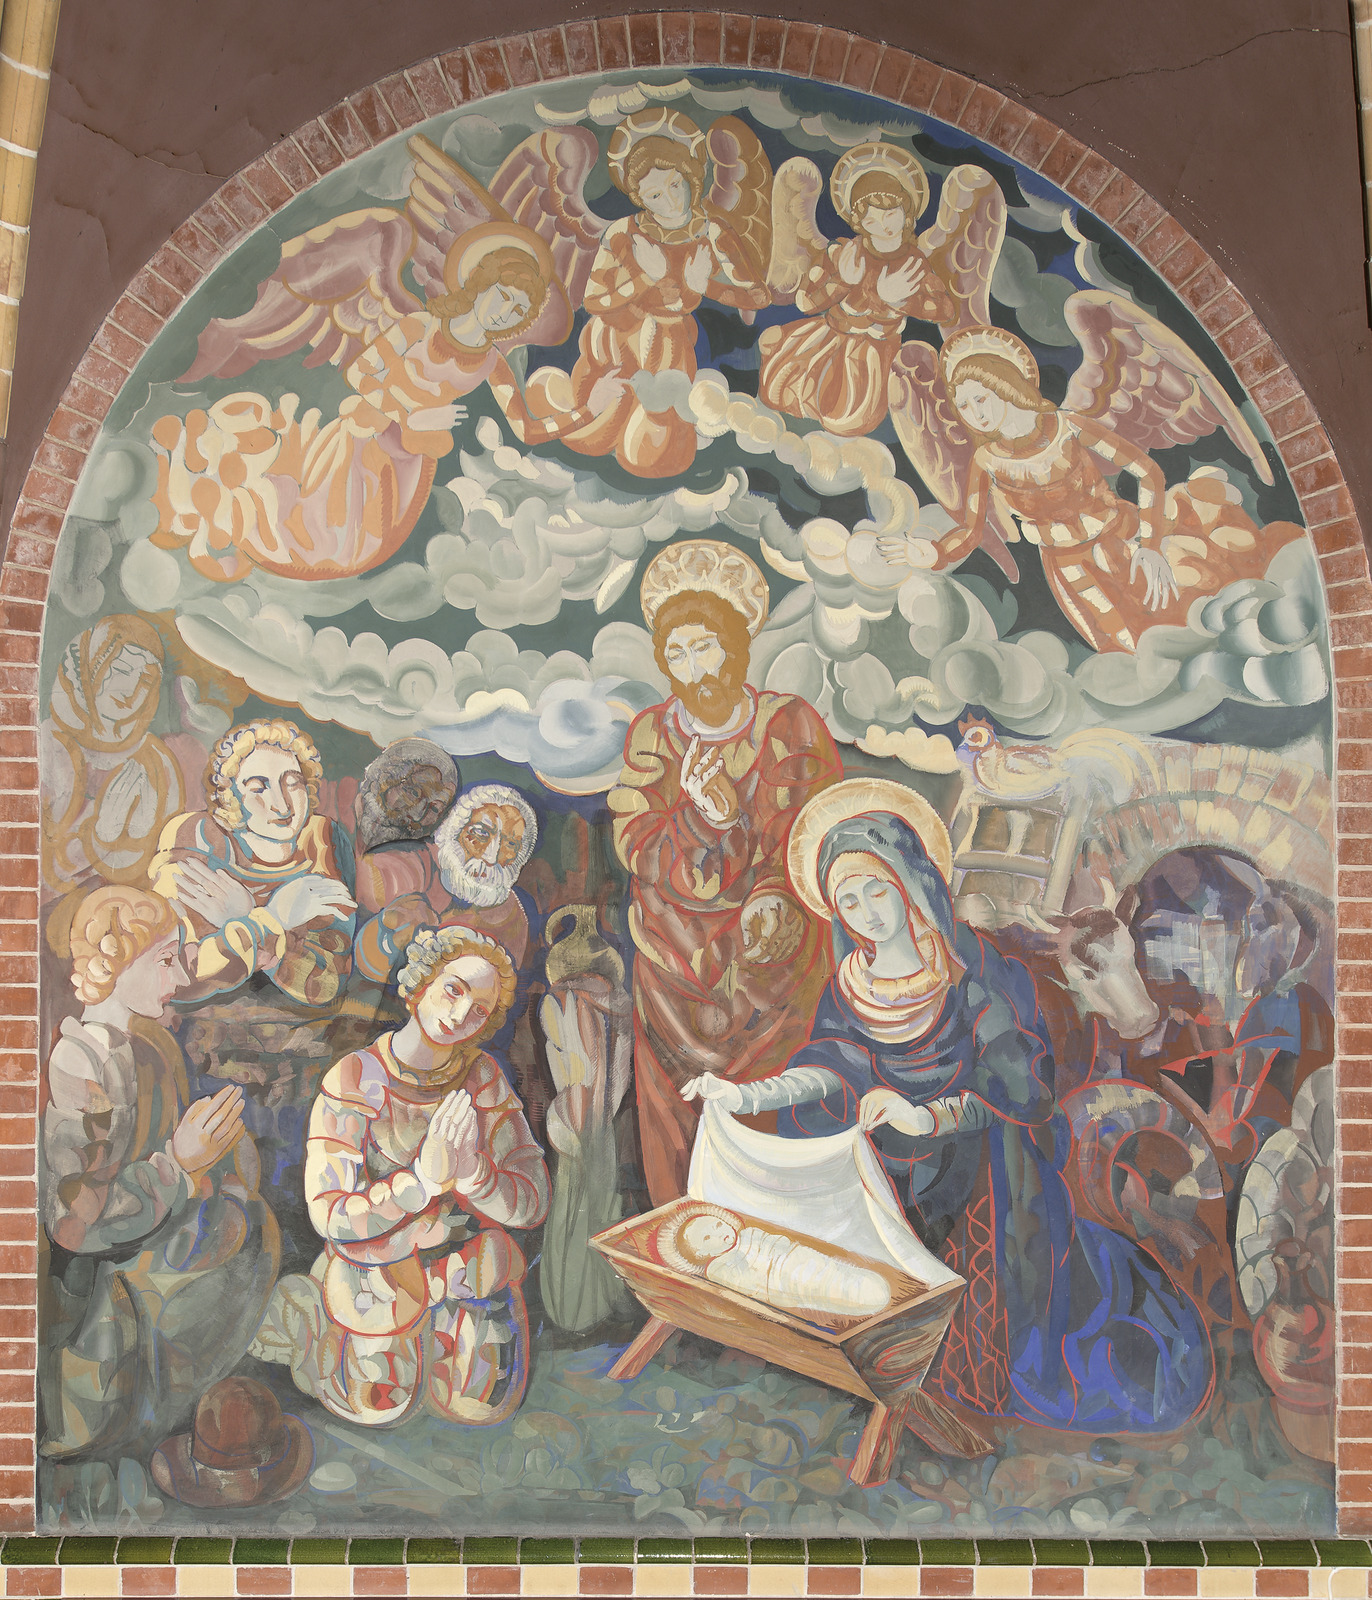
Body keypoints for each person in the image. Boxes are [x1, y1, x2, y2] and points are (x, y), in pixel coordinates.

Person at [692, 778, 1213, 1435]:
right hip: (888, 1164)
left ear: (909, 882)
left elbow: (1017, 1094)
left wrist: (925, 1118)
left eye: (877, 889)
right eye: (847, 900)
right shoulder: (849, 984)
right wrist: (744, 1095)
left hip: (977, 1170)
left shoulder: (975, 971)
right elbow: (826, 1069)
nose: (866, 912)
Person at [151, 229, 624, 583]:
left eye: (516, 311)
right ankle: (218, 511)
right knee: (321, 523)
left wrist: (591, 409)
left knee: (358, 544)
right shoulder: (421, 326)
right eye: (503, 295)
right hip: (363, 435)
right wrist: (412, 414)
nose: (503, 312)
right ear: (480, 284)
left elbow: (527, 427)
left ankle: (229, 516)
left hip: (408, 461)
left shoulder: (490, 364)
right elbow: (361, 375)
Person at [609, 540, 842, 1205]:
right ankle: (687, 1231)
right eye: (678, 653)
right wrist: (704, 821)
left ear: (736, 647)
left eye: (705, 647)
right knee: (676, 1126)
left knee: (769, 1119)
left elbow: (807, 832)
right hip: (672, 965)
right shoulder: (654, 734)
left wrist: (769, 891)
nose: (694, 669)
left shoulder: (788, 724)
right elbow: (637, 842)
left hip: (769, 967)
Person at [252, 926, 550, 1427]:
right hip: (377, 1270)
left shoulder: (482, 1077)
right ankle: (310, 1321)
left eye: (480, 1010)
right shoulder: (356, 1077)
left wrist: (475, 1175)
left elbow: (533, 1200)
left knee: (480, 1405)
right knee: (376, 1408)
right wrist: (422, 1183)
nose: (461, 1013)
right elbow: (329, 1214)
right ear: (420, 983)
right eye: (453, 989)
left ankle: (443, 1334)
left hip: (461, 1264)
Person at [39, 886, 279, 1460]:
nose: (181, 975)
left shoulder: (145, 1044)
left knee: (248, 1220)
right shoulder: (82, 1061)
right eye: (167, 959)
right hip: (99, 1283)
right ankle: (130, 1411)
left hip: (147, 1232)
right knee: (242, 1241)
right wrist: (180, 1164)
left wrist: (213, 1156)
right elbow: (74, 1225)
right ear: (117, 962)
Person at [914, 326, 1301, 654]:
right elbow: (972, 530)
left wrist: (1151, 547)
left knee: (1191, 602)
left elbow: (1148, 473)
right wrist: (934, 552)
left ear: (1005, 386)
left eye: (980, 399)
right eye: (964, 406)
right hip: (1069, 567)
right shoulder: (987, 461)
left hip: (1124, 537)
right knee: (1127, 647)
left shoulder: (1068, 428)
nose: (975, 413)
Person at [526, 110, 770, 478]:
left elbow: (757, 297)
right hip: (613, 340)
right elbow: (594, 301)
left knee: (655, 454)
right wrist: (644, 277)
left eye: (675, 185)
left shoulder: (713, 231)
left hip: (670, 346)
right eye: (655, 194)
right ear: (639, 197)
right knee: (595, 431)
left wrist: (706, 286)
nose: (670, 201)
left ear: (690, 177)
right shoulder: (623, 232)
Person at [149, 717, 357, 1008]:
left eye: (293, 783)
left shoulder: (322, 840)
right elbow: (175, 974)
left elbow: (325, 981)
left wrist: (241, 917)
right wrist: (271, 919)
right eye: (258, 788)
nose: (282, 805)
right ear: (230, 796)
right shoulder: (195, 839)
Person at [759, 143, 956, 436]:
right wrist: (843, 282)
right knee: (780, 387)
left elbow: (945, 310)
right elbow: (808, 303)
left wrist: (900, 300)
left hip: (874, 350)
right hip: (829, 337)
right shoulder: (844, 251)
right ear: (859, 221)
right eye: (870, 219)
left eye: (889, 213)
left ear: (906, 212)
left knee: (847, 416)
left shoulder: (914, 262)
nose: (882, 226)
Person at [354, 781, 537, 982]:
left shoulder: (510, 914)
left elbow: (501, 984)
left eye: (510, 844)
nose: (491, 857)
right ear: (455, 829)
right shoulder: (403, 866)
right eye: (481, 833)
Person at [651, 1200, 893, 1319]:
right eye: (707, 1238)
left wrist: (784, 1250)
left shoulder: (747, 1234)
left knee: (825, 1267)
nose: (719, 1232)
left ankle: (857, 1281)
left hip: (792, 1257)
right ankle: (856, 1296)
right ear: (702, 1255)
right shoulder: (717, 1268)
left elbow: (777, 1241)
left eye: (717, 1224)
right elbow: (746, 1287)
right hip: (777, 1280)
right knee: (815, 1286)